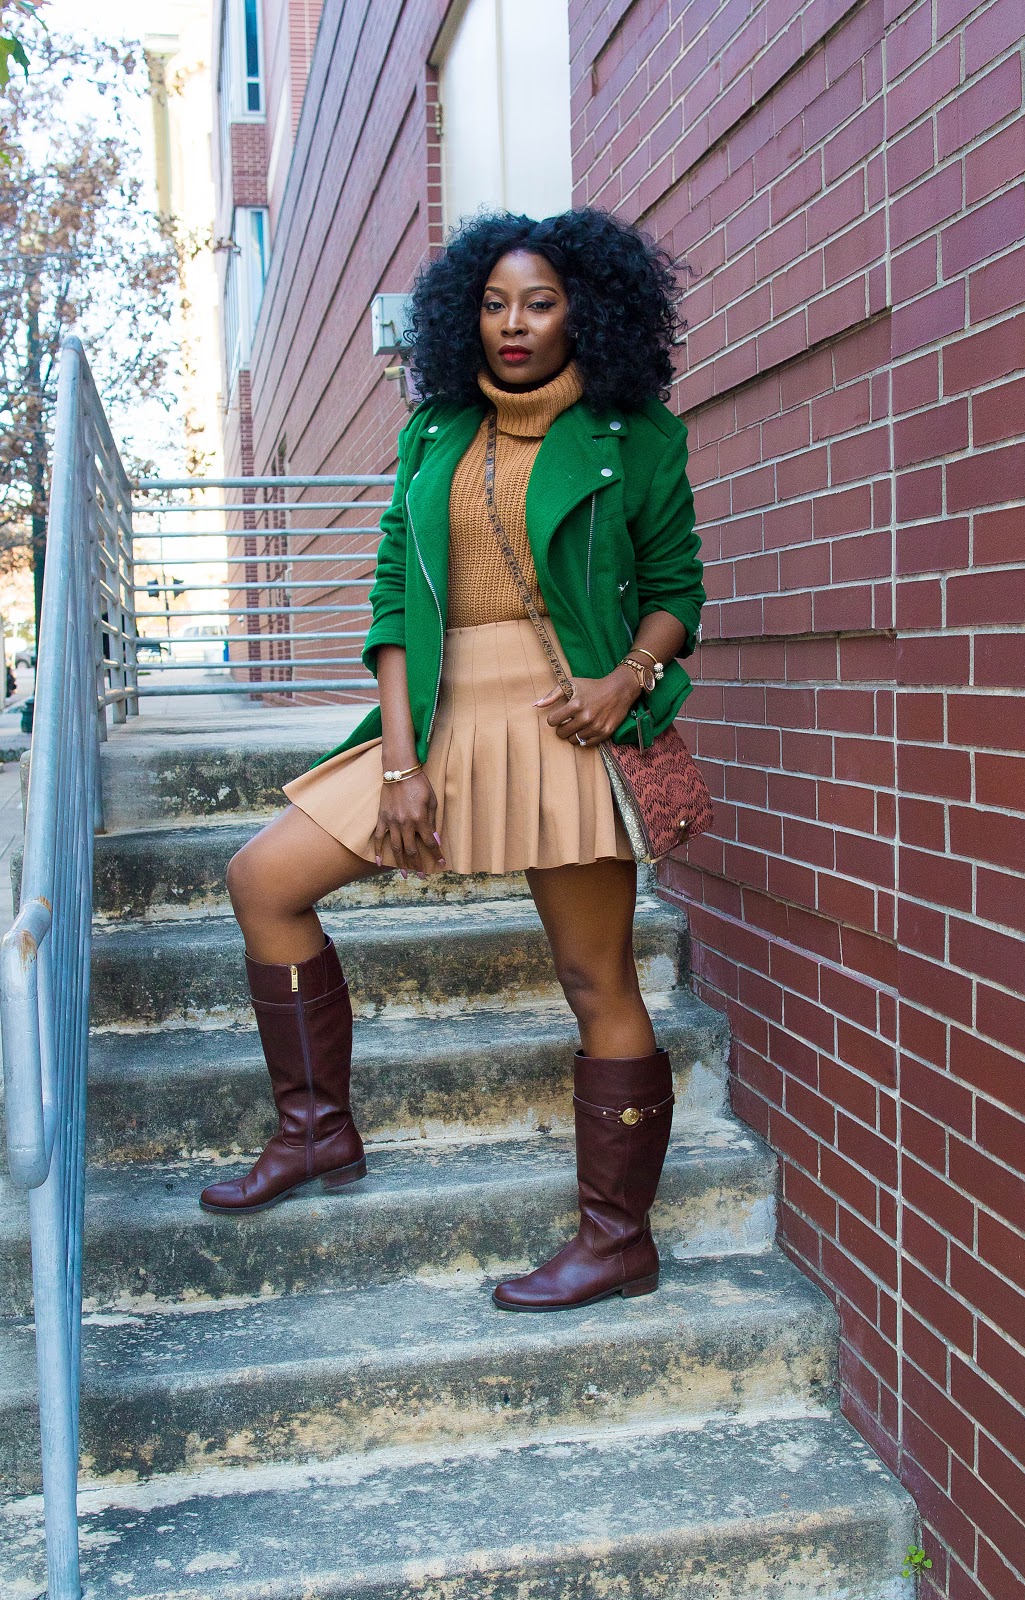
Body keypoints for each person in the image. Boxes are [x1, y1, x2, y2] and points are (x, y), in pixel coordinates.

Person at [200, 208, 706, 1313]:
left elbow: (677, 590)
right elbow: (394, 593)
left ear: (583, 311)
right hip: (435, 711)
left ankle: (617, 1240)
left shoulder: (635, 434)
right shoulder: (434, 430)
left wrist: (624, 680)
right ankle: (315, 1130)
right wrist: (398, 760)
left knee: (596, 980)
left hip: (563, 719)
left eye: (539, 302)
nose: (513, 324)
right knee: (263, 880)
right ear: (462, 316)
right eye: (492, 303)